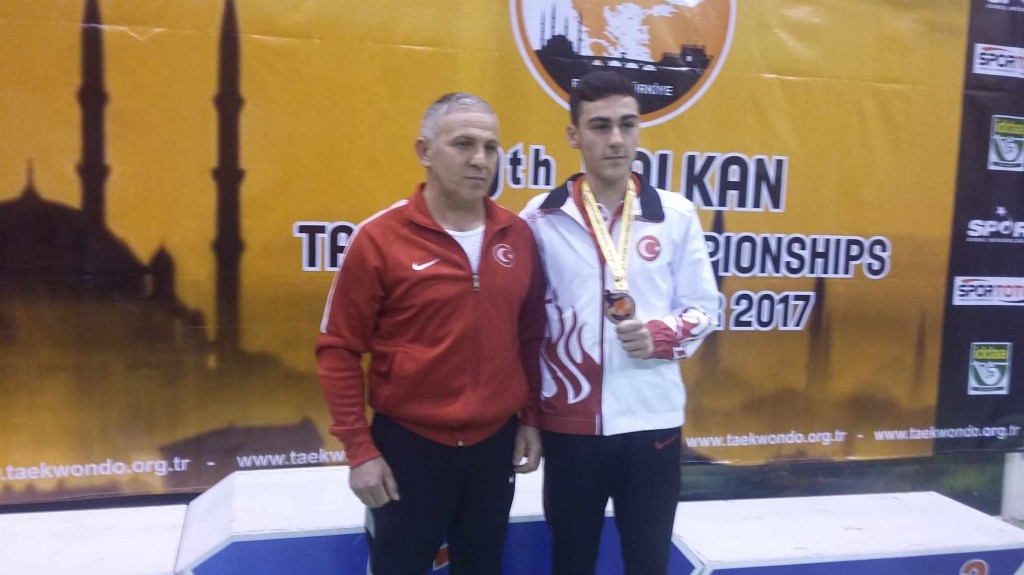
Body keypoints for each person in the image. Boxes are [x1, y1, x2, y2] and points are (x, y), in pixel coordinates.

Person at [317, 92, 545, 575]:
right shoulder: (379, 238)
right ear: (424, 152)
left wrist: (530, 419)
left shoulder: (517, 236)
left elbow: (529, 337)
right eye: (463, 144)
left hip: (493, 448)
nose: (480, 159)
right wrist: (359, 451)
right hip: (408, 448)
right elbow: (338, 350)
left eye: (490, 147)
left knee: (482, 567)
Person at [520, 71, 719, 575]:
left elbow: (706, 306)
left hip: (651, 420)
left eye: (627, 125)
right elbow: (524, 327)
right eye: (600, 126)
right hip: (569, 423)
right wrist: (528, 418)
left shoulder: (675, 214)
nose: (615, 139)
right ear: (574, 135)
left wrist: (660, 335)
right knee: (571, 561)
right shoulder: (539, 218)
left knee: (648, 562)